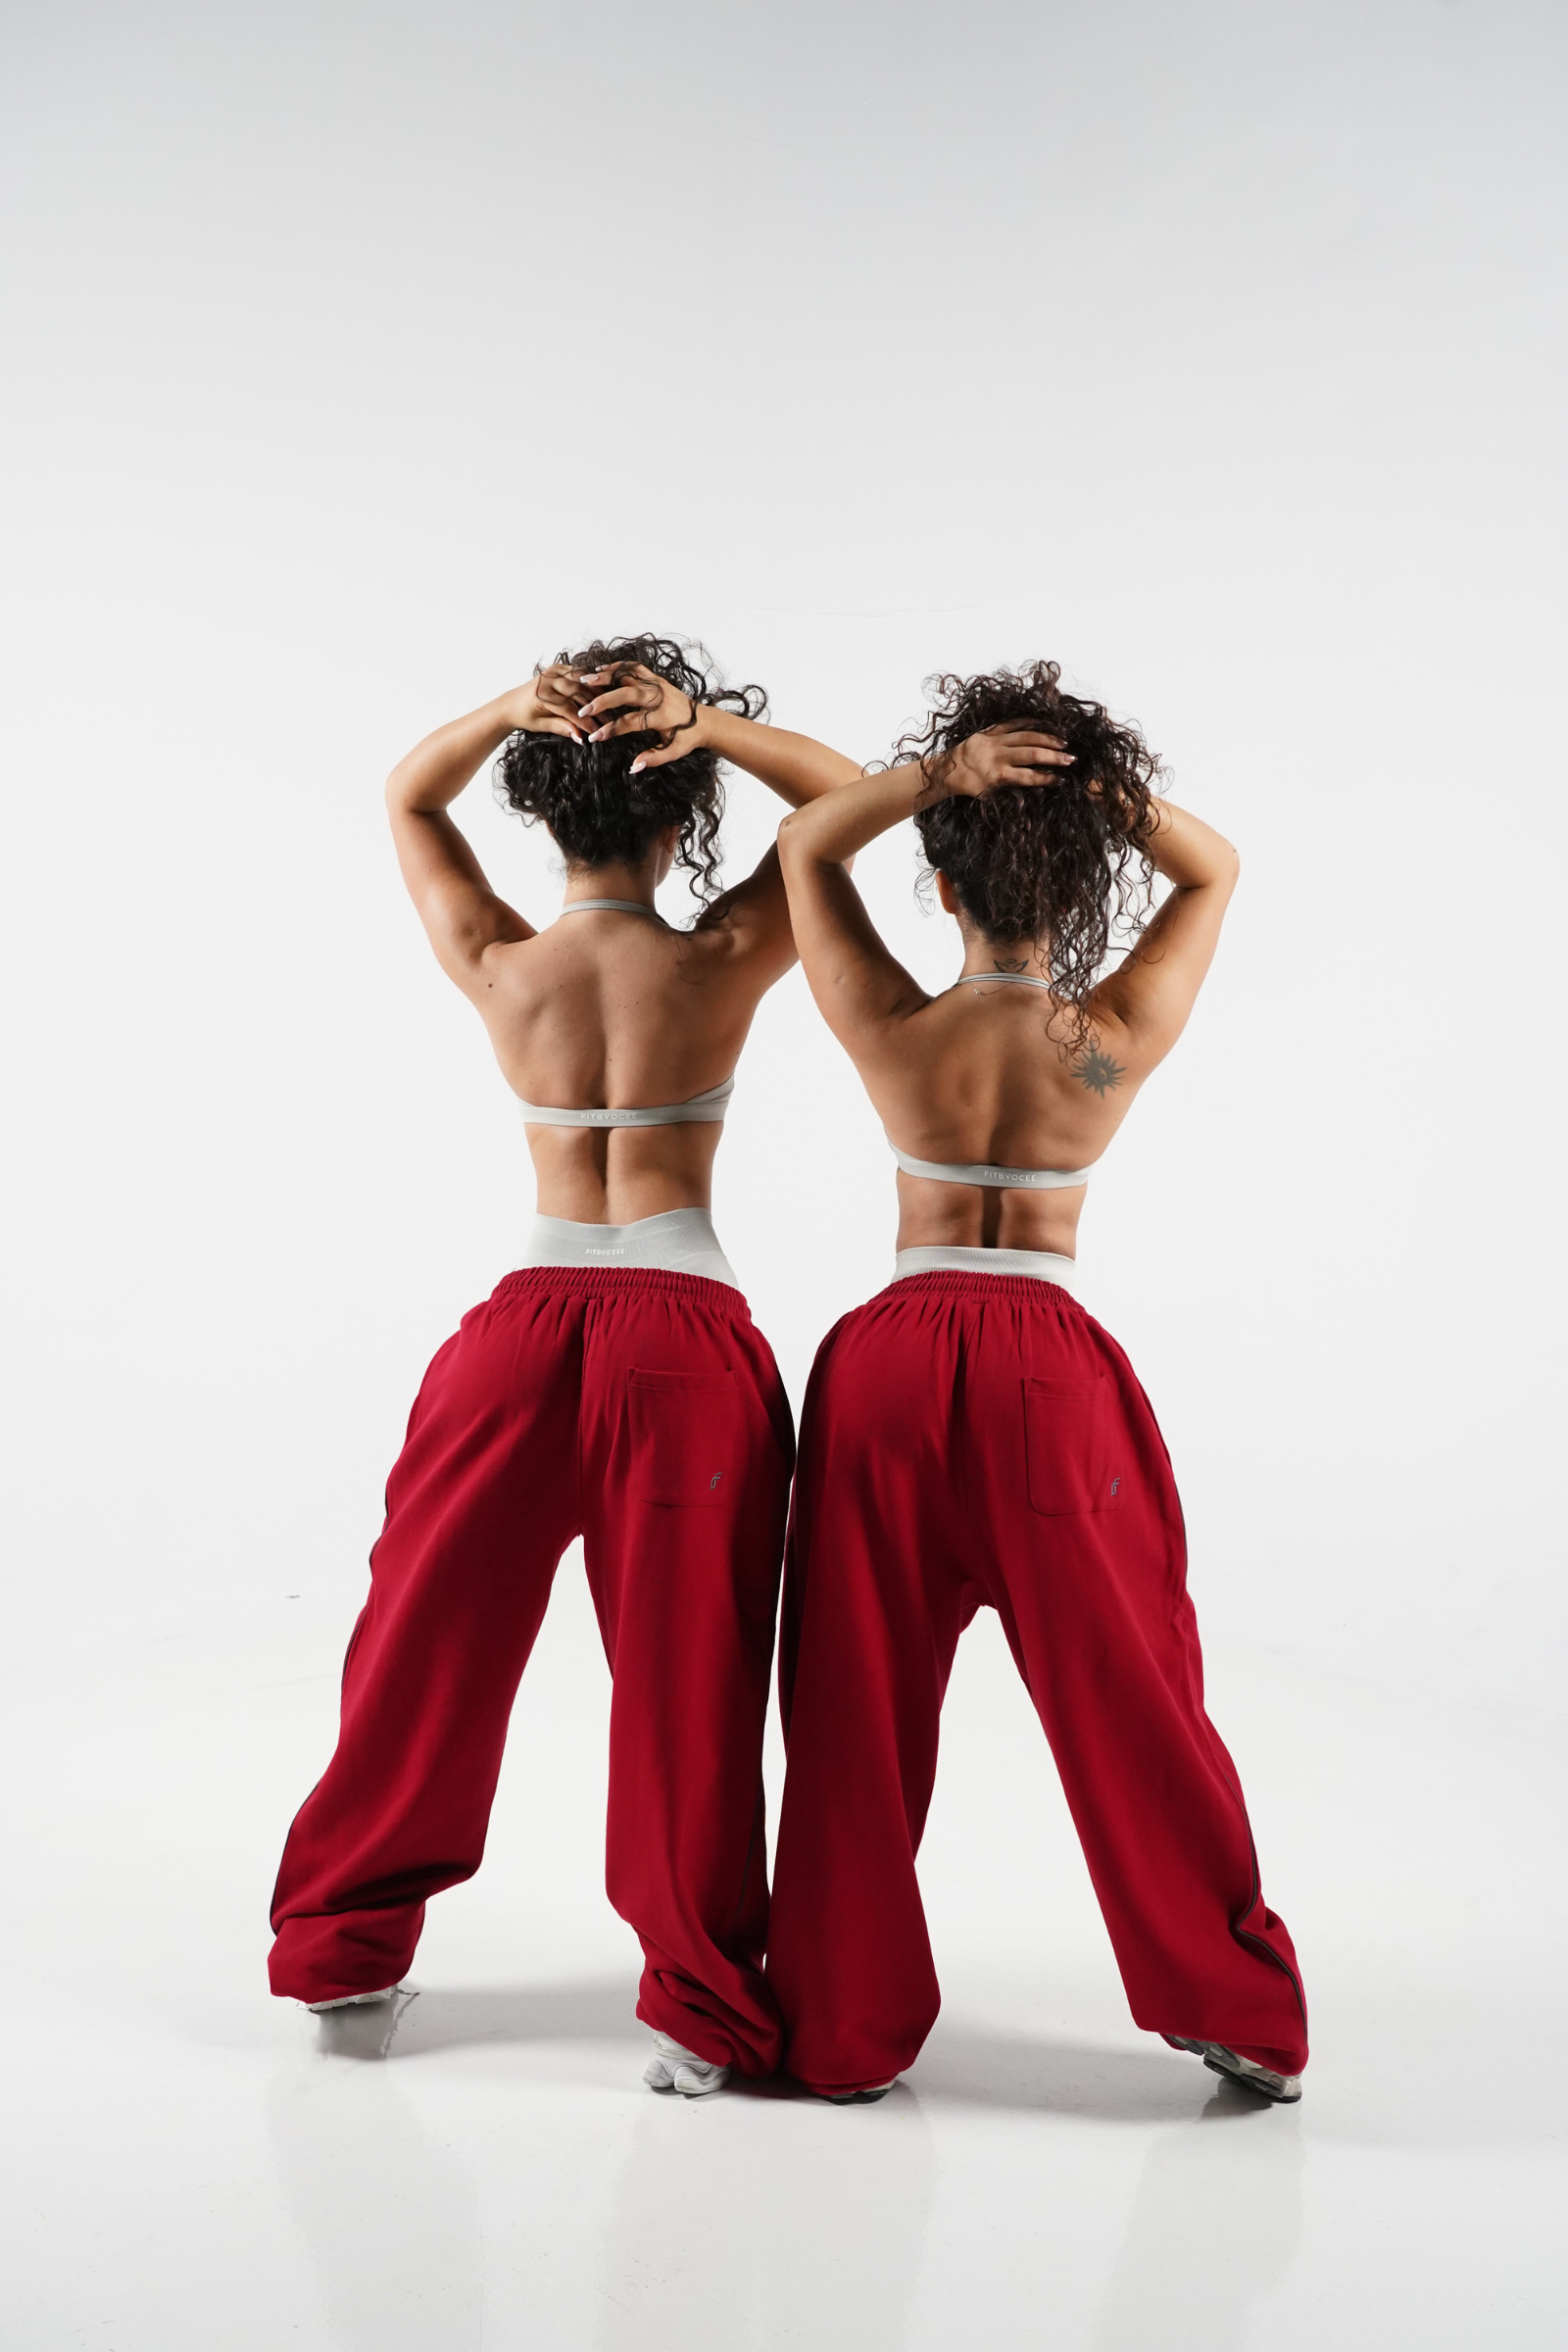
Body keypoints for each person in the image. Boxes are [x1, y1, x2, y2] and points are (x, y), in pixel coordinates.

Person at [268, 636, 858, 2097]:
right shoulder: (719, 957)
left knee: (423, 1644)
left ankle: (345, 1959)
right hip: (681, 1334)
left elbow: (411, 798)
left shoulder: (502, 961)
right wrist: (706, 722)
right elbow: (845, 804)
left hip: (519, 1337)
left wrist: (500, 708)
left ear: (539, 807)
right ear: (681, 811)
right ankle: (698, 2010)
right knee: (688, 1678)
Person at [765, 661, 1307, 2105]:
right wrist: (1095, 799)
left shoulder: (892, 1028)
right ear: (1079, 891)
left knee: (855, 1704)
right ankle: (1234, 2007)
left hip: (889, 1365)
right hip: (1046, 1371)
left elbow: (808, 844)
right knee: (1132, 1690)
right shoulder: (1105, 1046)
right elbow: (1215, 867)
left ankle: (840, 2029)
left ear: (940, 888)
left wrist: (945, 777)